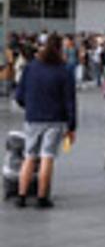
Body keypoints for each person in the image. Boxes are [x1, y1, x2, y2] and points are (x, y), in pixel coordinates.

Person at [14, 34, 76, 208]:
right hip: (55, 119)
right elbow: (69, 101)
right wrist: (71, 126)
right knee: (47, 156)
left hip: (33, 118)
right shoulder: (64, 71)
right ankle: (42, 197)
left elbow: (19, 96)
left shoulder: (31, 68)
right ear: (60, 49)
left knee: (29, 156)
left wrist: (30, 107)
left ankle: (22, 196)